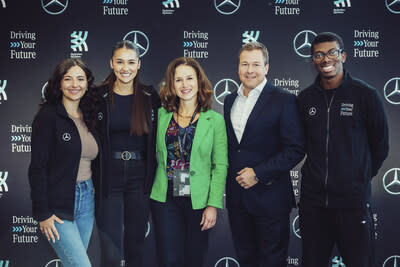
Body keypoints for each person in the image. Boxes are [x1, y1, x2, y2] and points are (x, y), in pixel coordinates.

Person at [297, 32, 389, 267]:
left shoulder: (365, 95)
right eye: (319, 55)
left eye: (332, 53)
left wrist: (359, 176)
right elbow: (298, 144)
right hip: (314, 205)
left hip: (353, 204)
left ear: (343, 56)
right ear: (313, 60)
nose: (326, 59)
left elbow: (380, 145)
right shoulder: (305, 99)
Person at [224, 41, 305, 267]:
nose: (250, 70)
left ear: (267, 67)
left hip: (271, 197)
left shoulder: (284, 99)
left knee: (272, 261)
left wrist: (258, 173)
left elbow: (296, 148)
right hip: (237, 198)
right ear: (238, 67)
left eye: (256, 64)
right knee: (245, 259)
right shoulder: (230, 99)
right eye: (245, 64)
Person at [150, 57, 228, 267]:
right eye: (179, 80)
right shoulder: (160, 116)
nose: (185, 85)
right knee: (168, 259)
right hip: (165, 196)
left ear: (199, 81)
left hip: (198, 198)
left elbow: (220, 165)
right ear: (172, 85)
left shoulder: (214, 120)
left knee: (194, 258)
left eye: (190, 78)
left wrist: (213, 204)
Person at [28, 58, 101, 267]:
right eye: (67, 79)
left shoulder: (89, 116)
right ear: (59, 83)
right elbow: (37, 168)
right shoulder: (47, 117)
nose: (74, 84)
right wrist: (42, 213)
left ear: (87, 83)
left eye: (80, 79)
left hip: (87, 199)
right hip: (57, 204)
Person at [96, 40, 161, 267]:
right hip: (109, 176)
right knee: (110, 245)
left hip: (140, 176)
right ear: (111, 63)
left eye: (131, 62)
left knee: (136, 244)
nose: (126, 68)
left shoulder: (150, 95)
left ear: (139, 64)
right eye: (120, 62)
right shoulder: (97, 96)